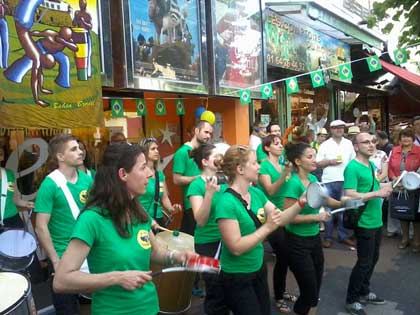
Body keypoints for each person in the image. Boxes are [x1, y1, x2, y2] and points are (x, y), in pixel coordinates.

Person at [53, 143, 196, 315]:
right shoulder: (92, 219)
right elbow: (61, 281)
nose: (150, 174)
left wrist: (176, 256)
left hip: (150, 308)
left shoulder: (138, 211)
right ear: (123, 174)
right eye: (143, 168)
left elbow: (155, 251)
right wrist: (118, 277)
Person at [215, 145, 305, 315]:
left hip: (258, 267)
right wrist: (268, 227)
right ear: (240, 169)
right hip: (237, 275)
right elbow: (235, 247)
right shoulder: (226, 202)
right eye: (255, 163)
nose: (259, 167)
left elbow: (281, 218)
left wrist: (301, 202)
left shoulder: (256, 193)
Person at [281, 142, 347, 315]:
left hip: (314, 239)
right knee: (309, 291)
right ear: (298, 161)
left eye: (315, 156)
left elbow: (325, 200)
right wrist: (316, 217)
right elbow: (289, 217)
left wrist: (343, 203)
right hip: (296, 243)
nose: (314, 160)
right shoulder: (293, 184)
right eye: (310, 157)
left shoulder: (313, 179)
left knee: (315, 288)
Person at [35, 134, 93, 315]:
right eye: (73, 149)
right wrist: (55, 260)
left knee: (93, 306)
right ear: (60, 156)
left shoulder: (87, 180)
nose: (80, 152)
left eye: (79, 148)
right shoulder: (50, 184)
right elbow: (40, 226)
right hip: (62, 257)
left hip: (88, 254)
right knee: (67, 310)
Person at [344, 132, 393, 315]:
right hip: (364, 221)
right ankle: (351, 300)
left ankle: (364, 291)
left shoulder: (371, 164)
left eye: (373, 141)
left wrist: (389, 186)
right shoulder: (352, 167)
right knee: (364, 262)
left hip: (376, 219)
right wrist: (376, 194)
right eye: (365, 142)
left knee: (373, 259)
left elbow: (372, 187)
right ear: (356, 146)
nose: (371, 145)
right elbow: (349, 194)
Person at [187, 144, 229, 315]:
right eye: (216, 156)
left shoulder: (226, 180)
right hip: (207, 244)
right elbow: (200, 220)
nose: (220, 158)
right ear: (205, 161)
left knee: (228, 286)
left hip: (227, 239)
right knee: (215, 290)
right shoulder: (196, 186)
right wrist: (209, 193)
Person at [257, 135, 295, 313]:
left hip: (287, 214)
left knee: (285, 257)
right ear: (266, 148)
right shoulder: (264, 166)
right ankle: (278, 297)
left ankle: (282, 291)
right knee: (283, 255)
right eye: (276, 143)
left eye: (281, 143)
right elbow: (270, 189)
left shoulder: (282, 165)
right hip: (273, 216)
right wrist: (285, 174)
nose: (281, 146)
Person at [316, 120, 356, 248]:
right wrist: (330, 162)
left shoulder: (348, 143)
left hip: (345, 180)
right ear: (331, 130)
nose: (339, 130)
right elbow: (318, 163)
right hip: (329, 180)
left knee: (343, 210)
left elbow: (353, 161)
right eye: (336, 128)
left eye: (341, 127)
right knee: (329, 209)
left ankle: (342, 235)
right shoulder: (325, 145)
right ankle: (327, 237)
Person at [173, 120, 213, 235]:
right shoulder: (182, 152)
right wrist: (198, 178)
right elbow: (176, 179)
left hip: (208, 200)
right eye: (206, 132)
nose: (208, 136)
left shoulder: (205, 152)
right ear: (196, 131)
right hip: (192, 204)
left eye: (210, 133)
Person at [388, 128, 420, 252]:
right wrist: (394, 178)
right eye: (403, 136)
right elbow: (390, 167)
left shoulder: (419, 151)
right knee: (402, 212)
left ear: (413, 139)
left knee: (416, 216)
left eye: (408, 136)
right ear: (400, 139)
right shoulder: (394, 150)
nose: (405, 139)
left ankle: (417, 240)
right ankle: (405, 238)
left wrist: (410, 181)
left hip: (414, 186)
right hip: (398, 186)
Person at [138, 137, 181, 228]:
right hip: (142, 219)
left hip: (158, 219)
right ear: (144, 152)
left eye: (157, 148)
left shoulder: (159, 175)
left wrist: (171, 209)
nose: (157, 151)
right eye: (153, 149)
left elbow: (164, 198)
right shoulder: (138, 173)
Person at [0, 146, 34, 228]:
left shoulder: (9, 174)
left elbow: (15, 199)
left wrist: (27, 204)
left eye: (0, 154)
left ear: (2, 157)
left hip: (13, 219)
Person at [73, 0, 92, 78]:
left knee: (87, 54)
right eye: (80, 3)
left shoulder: (87, 14)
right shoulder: (77, 13)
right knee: (77, 54)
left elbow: (90, 26)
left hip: (85, 35)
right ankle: (78, 72)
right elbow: (73, 23)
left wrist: (83, 22)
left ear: (86, 4)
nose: (81, 5)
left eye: (82, 3)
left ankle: (88, 73)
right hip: (78, 35)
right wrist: (75, 19)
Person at [0, 0, 9, 69]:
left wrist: (5, 6)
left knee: (5, 43)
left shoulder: (3, 2)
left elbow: (8, 11)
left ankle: (5, 64)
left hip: (3, 20)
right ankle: (0, 64)